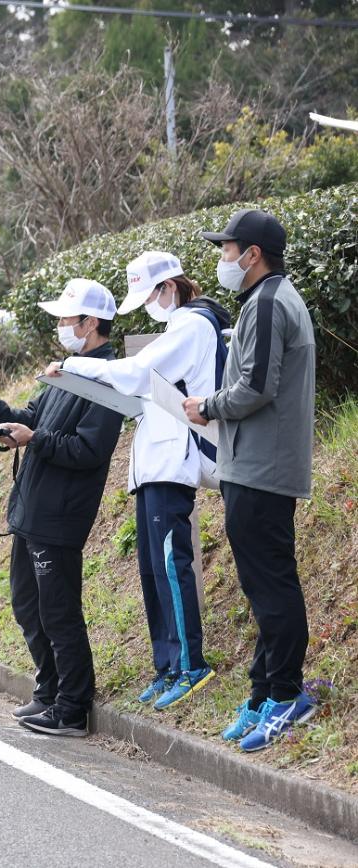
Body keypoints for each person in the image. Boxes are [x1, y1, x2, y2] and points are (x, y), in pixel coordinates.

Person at [47, 252, 230, 711]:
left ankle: (191, 666)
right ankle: (167, 666)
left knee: (171, 566)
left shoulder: (192, 325)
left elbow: (132, 375)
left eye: (148, 295)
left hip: (175, 460)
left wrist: (73, 367)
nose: (146, 306)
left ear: (169, 288)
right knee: (152, 570)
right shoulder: (177, 328)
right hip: (154, 462)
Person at [0, 279, 124, 737]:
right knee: (28, 606)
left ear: (91, 324)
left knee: (58, 611)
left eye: (65, 320)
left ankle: (72, 707)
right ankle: (50, 690)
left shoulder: (107, 380)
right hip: (33, 509)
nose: (59, 327)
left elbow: (90, 451)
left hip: (61, 514)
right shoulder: (68, 370)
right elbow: (31, 419)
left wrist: (36, 439)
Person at [183, 209, 317, 752]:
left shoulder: (266, 303)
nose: (223, 259)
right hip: (259, 466)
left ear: (252, 254)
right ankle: (265, 691)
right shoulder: (275, 298)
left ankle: (286, 695)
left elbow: (255, 387)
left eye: (227, 249)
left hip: (261, 469)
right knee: (265, 585)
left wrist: (206, 406)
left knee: (272, 585)